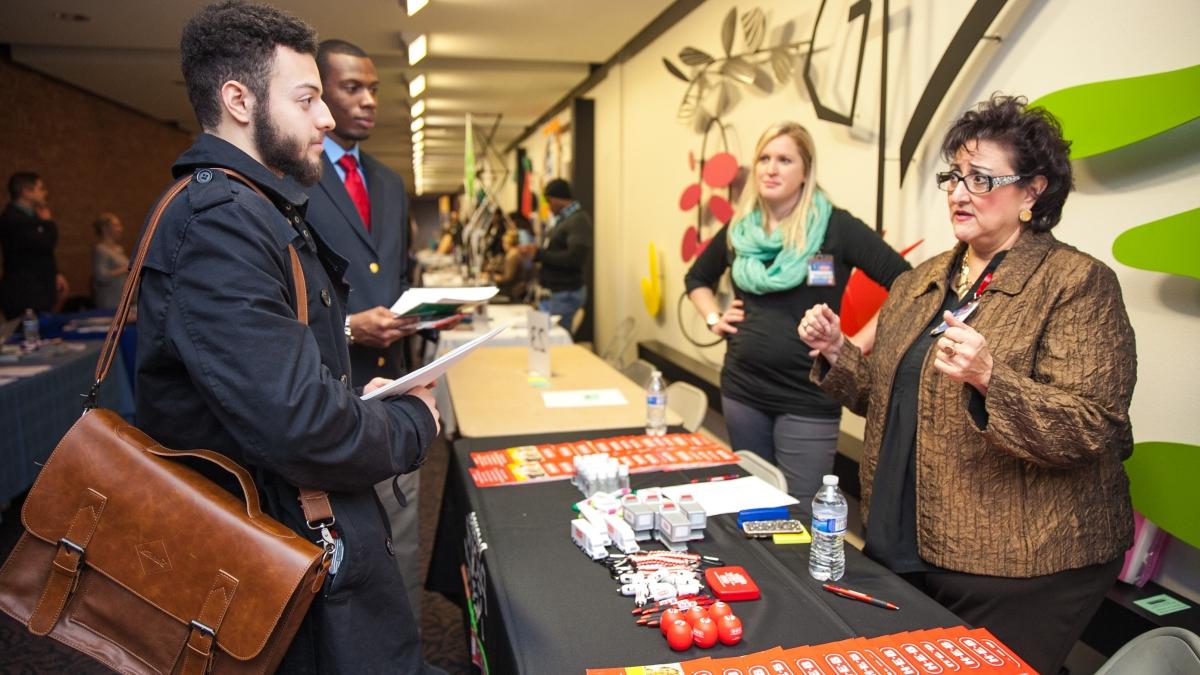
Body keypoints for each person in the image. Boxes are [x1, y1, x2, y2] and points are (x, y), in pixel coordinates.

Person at [136, 2, 443, 672]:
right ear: (239, 100)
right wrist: (411, 421)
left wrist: (366, 399)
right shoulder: (220, 224)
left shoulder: (249, 206)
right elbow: (299, 424)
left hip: (284, 539)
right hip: (267, 559)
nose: (326, 118)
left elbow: (281, 366)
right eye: (306, 99)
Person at [799, 95, 1135, 675]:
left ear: (1033, 190)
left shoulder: (1077, 283)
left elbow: (1091, 427)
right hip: (905, 540)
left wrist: (989, 377)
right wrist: (839, 353)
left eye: (981, 178)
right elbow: (886, 399)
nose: (958, 191)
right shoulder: (923, 281)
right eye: (954, 175)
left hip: (1019, 563)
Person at [685, 121, 909, 500]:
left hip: (808, 396)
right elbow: (697, 279)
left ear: (805, 171)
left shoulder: (835, 227)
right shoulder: (739, 230)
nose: (771, 169)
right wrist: (713, 318)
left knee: (800, 512)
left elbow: (907, 284)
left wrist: (853, 344)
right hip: (743, 388)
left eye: (785, 159)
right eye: (764, 158)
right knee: (751, 501)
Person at [305, 37, 426, 620]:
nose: (369, 101)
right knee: (338, 568)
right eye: (353, 87)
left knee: (401, 545)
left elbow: (392, 276)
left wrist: (422, 313)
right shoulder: (292, 176)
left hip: (394, 390)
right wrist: (350, 328)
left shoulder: (389, 181)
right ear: (320, 92)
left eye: (374, 89)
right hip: (325, 398)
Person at [519, 177, 591, 329]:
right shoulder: (564, 220)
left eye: (549, 202)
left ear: (558, 199)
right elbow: (558, 251)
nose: (548, 207)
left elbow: (575, 258)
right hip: (557, 292)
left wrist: (539, 254)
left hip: (566, 293)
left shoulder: (578, 221)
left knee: (555, 343)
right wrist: (536, 252)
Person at [0, 172, 69, 318]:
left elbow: (42, 254)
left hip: (39, 290)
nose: (45, 193)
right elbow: (45, 244)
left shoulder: (33, 217)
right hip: (24, 293)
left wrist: (56, 273)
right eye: (40, 188)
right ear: (27, 192)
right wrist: (47, 223)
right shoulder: (12, 218)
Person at [91, 212, 129, 310]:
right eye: (116, 225)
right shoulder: (101, 250)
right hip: (110, 303)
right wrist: (126, 268)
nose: (120, 229)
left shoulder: (119, 250)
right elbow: (101, 276)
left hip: (122, 301)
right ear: (105, 228)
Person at [488, 230, 530, 301]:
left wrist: (493, 277)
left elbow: (508, 278)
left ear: (507, 243)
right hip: (517, 289)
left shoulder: (512, 256)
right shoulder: (517, 253)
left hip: (513, 291)